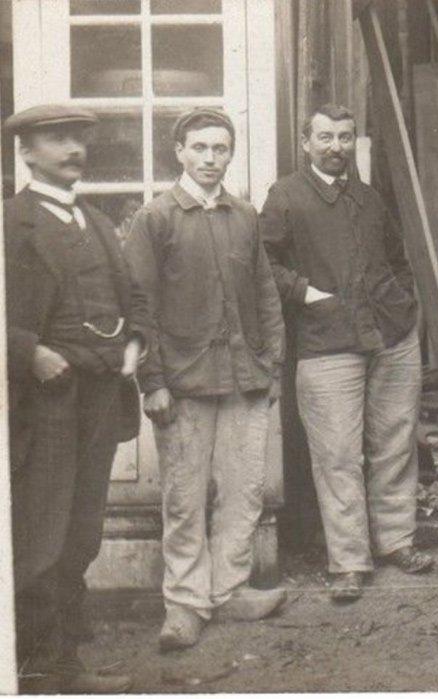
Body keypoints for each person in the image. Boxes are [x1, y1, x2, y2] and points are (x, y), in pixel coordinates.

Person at [123, 108, 287, 651]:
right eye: (200, 148)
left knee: (243, 493)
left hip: (245, 380)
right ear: (179, 151)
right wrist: (154, 382)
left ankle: (231, 588)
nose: (211, 159)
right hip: (185, 385)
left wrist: (271, 364)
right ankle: (187, 603)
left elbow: (264, 291)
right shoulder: (156, 218)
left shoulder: (243, 215)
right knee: (184, 498)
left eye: (220, 149)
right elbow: (139, 307)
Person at [260, 103, 432, 603]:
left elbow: (398, 259)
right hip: (326, 341)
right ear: (306, 142)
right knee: (337, 455)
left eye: (345, 138)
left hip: (391, 337)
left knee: (395, 443)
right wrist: (305, 293)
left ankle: (397, 541)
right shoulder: (286, 196)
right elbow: (261, 262)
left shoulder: (368, 197)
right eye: (326, 137)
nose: (336, 147)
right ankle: (350, 561)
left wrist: (404, 306)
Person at [4, 103, 149, 692]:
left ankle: (68, 658)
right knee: (40, 537)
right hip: (45, 404)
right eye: (58, 140)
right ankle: (39, 670)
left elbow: (132, 295)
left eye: (79, 140)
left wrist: (137, 341)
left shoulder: (96, 219)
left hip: (100, 395)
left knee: (84, 531)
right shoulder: (13, 222)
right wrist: (28, 351)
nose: (73, 150)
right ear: (27, 152)